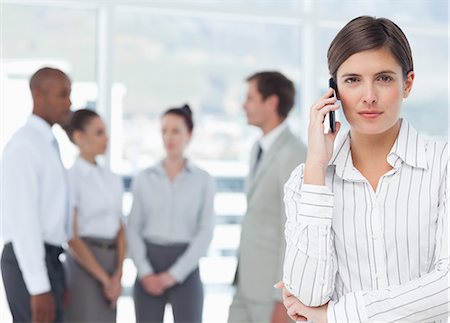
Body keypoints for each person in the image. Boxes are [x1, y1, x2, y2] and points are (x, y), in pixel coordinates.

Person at [278, 16, 449, 322]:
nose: (368, 95)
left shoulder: (443, 165)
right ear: (333, 90)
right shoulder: (306, 182)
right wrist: (316, 168)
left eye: (383, 78)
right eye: (352, 80)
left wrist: (336, 315)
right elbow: (307, 296)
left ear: (407, 83)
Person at [228, 71, 307, 323]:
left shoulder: (294, 153)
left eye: (250, 98)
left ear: (271, 102)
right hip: (245, 282)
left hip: (270, 292)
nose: (244, 105)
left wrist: (283, 298)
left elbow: (294, 230)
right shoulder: (257, 148)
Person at [127, 104, 215, 323]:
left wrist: (174, 274)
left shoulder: (203, 180)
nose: (169, 137)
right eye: (164, 131)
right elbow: (133, 227)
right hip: (148, 263)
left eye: (176, 131)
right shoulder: (144, 178)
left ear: (190, 134)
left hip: (186, 265)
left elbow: (205, 231)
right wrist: (145, 271)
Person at [1, 67, 72, 322]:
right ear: (38, 95)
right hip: (27, 260)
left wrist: (57, 277)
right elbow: (23, 220)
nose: (69, 103)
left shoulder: (46, 144)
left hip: (48, 259)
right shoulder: (24, 146)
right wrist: (39, 285)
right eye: (62, 95)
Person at [62, 109, 126, 322]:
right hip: (85, 264)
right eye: (99, 133)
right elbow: (71, 236)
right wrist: (104, 279)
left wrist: (117, 274)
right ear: (79, 137)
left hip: (112, 261)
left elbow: (120, 228)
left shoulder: (112, 178)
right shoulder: (71, 178)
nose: (106, 138)